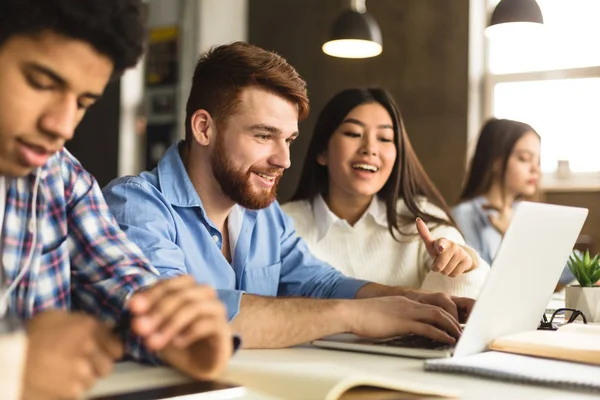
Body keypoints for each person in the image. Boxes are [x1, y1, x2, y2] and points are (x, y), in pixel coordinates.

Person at [103, 41, 474, 351]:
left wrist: (411, 301)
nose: (283, 159)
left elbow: (319, 284)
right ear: (204, 128)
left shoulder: (260, 214)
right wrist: (355, 316)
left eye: (289, 139)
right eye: (264, 136)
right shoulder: (135, 206)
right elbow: (175, 321)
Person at [0, 1, 232, 398]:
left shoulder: (59, 177)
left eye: (83, 103)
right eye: (41, 82)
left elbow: (121, 277)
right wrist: (10, 367)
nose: (62, 126)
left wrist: (178, 331)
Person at [281, 88, 489, 299]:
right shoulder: (282, 225)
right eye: (353, 134)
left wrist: (462, 264)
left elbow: (463, 301)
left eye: (385, 138)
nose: (370, 148)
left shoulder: (420, 218)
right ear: (322, 151)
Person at [453, 118, 576, 287]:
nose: (536, 169)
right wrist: (512, 235)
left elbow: (566, 263)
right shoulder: (464, 216)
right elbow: (476, 285)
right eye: (524, 158)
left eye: (538, 161)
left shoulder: (525, 212)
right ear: (496, 161)